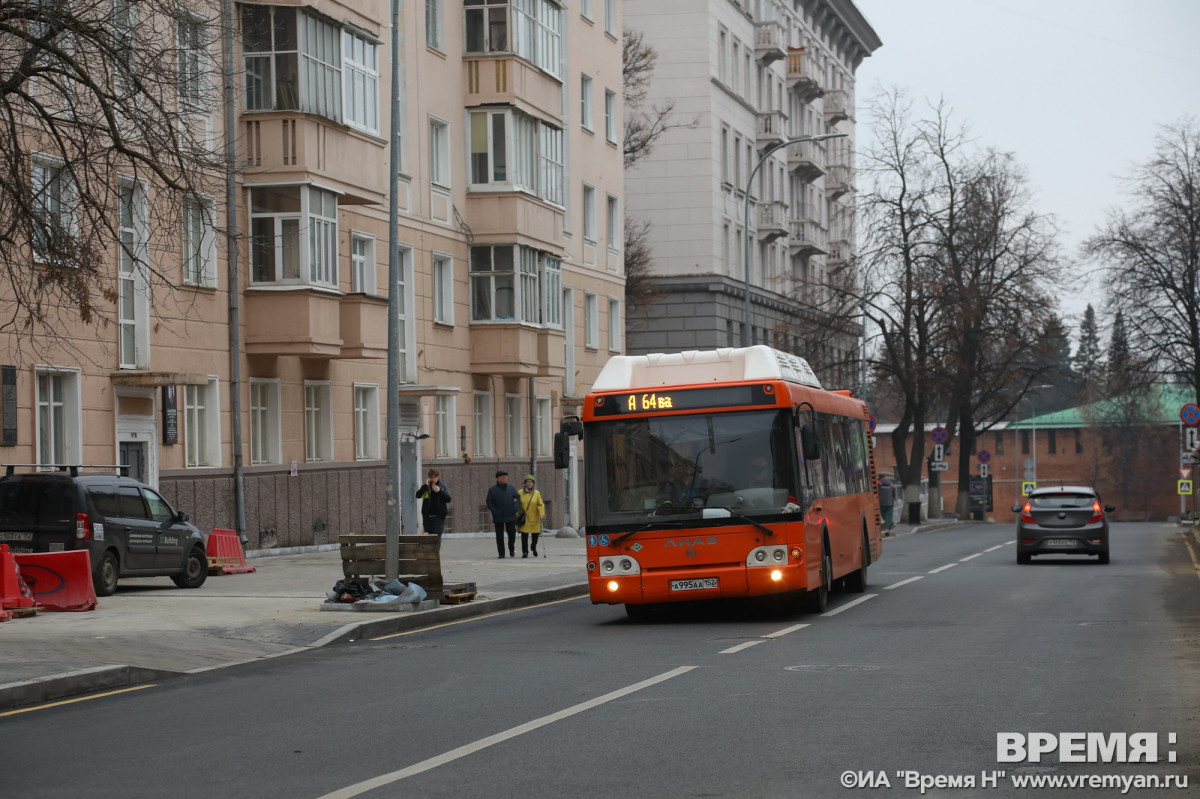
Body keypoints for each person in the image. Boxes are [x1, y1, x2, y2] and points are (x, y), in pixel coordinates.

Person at [486, 470, 520, 558]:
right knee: (499, 536)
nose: (506, 478)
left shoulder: (511, 488)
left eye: (506, 477)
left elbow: (517, 498)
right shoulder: (492, 490)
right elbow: (489, 502)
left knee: (512, 533)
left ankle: (511, 548)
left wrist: (515, 508)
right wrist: (494, 511)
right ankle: (501, 553)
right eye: (504, 477)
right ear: (498, 479)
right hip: (498, 516)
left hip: (510, 515)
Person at [414, 468, 451, 541]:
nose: (433, 479)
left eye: (435, 477)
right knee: (428, 539)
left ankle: (436, 552)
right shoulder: (426, 487)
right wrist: (425, 486)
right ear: (429, 478)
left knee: (436, 539)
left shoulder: (442, 487)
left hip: (438, 517)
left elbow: (448, 499)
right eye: (431, 477)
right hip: (427, 517)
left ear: (438, 477)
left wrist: (439, 491)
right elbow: (417, 495)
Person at [517, 474, 546, 558]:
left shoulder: (536, 493)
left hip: (534, 517)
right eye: (528, 482)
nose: (529, 483)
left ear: (533, 483)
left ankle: (533, 547)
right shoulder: (520, 492)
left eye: (531, 482)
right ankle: (525, 552)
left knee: (535, 536)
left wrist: (541, 514)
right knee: (524, 536)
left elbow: (540, 504)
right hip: (524, 518)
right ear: (525, 483)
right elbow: (517, 504)